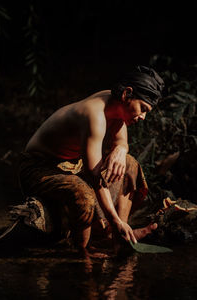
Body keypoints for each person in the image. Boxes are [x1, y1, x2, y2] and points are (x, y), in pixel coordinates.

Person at [18, 65, 164, 253]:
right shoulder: (94, 114)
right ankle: (83, 252)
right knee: (83, 194)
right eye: (142, 108)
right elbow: (95, 177)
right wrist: (113, 218)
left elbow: (122, 142)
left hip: (73, 165)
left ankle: (118, 235)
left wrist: (120, 149)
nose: (143, 116)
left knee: (130, 164)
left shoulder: (117, 104)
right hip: (39, 168)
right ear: (127, 94)